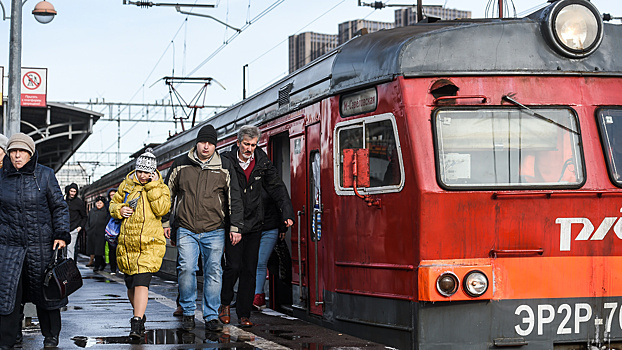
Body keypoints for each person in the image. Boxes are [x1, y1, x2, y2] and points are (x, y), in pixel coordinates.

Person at [163, 124, 244, 333]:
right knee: (187, 269)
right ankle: (189, 311)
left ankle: (210, 315)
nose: (206, 147)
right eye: (202, 142)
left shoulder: (225, 166)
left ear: (215, 146)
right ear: (196, 143)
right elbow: (165, 195)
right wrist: (165, 221)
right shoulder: (181, 164)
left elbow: (234, 198)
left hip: (215, 228)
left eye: (210, 143)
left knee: (213, 272)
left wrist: (235, 226)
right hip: (186, 227)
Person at [0, 133, 70, 349]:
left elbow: (59, 206)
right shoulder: (1, 177)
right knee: (9, 294)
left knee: (47, 292)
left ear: (30, 154)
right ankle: (9, 339)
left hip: (41, 245)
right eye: (13, 151)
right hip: (9, 246)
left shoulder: (45, 175)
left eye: (21, 151)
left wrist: (61, 233)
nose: (17, 155)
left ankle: (51, 336)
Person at [220, 125, 294, 328]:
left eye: (253, 145)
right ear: (238, 143)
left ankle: (244, 314)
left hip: (254, 223)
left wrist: (286, 213)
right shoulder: (226, 161)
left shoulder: (262, 162)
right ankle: (225, 304)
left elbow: (277, 186)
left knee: (249, 269)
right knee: (233, 266)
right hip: (234, 223)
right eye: (246, 144)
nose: (249, 148)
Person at [109, 148, 170, 339]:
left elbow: (162, 209)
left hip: (150, 244)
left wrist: (152, 187)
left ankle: (136, 322)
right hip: (128, 245)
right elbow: (112, 205)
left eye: (147, 172)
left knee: (142, 282)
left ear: (153, 172)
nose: (143, 176)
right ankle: (140, 315)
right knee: (131, 285)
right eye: (140, 171)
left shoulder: (160, 187)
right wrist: (120, 210)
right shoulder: (126, 186)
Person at [253, 189, 293, 310]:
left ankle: (257, 296)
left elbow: (279, 205)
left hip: (270, 228)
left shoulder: (271, 183)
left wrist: (282, 228)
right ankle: (253, 295)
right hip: (253, 229)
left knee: (260, 262)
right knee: (252, 262)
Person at [85, 196, 109, 272]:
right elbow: (88, 221)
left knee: (98, 251)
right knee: (93, 250)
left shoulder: (106, 211)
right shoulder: (92, 211)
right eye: (97, 203)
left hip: (101, 233)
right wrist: (87, 230)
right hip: (92, 233)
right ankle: (102, 263)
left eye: (100, 203)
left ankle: (97, 266)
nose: (98, 204)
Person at [65, 183, 87, 260]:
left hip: (74, 229)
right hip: (64, 228)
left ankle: (69, 268)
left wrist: (79, 227)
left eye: (74, 191)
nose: (72, 193)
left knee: (70, 250)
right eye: (71, 191)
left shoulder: (79, 202)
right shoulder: (64, 201)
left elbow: (84, 216)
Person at [106, 188, 119, 274]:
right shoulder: (107, 205)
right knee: (112, 250)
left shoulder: (121, 204)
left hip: (120, 229)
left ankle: (120, 267)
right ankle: (113, 268)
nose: (113, 196)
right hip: (111, 231)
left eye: (114, 194)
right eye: (111, 195)